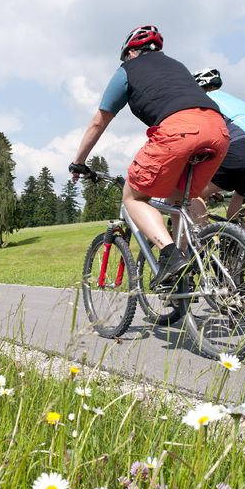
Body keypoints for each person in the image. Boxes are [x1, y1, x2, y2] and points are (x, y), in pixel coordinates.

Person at [69, 25, 230, 290]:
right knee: (179, 199)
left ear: (130, 52)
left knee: (134, 197)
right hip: (218, 130)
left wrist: (79, 162)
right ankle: (185, 268)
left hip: (179, 130)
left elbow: (99, 121)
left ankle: (170, 255)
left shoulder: (126, 71)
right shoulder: (177, 66)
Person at [192, 69, 245, 220]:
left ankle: (202, 240)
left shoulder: (203, 101)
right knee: (234, 216)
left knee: (192, 194)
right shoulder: (235, 100)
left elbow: (204, 137)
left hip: (244, 148)